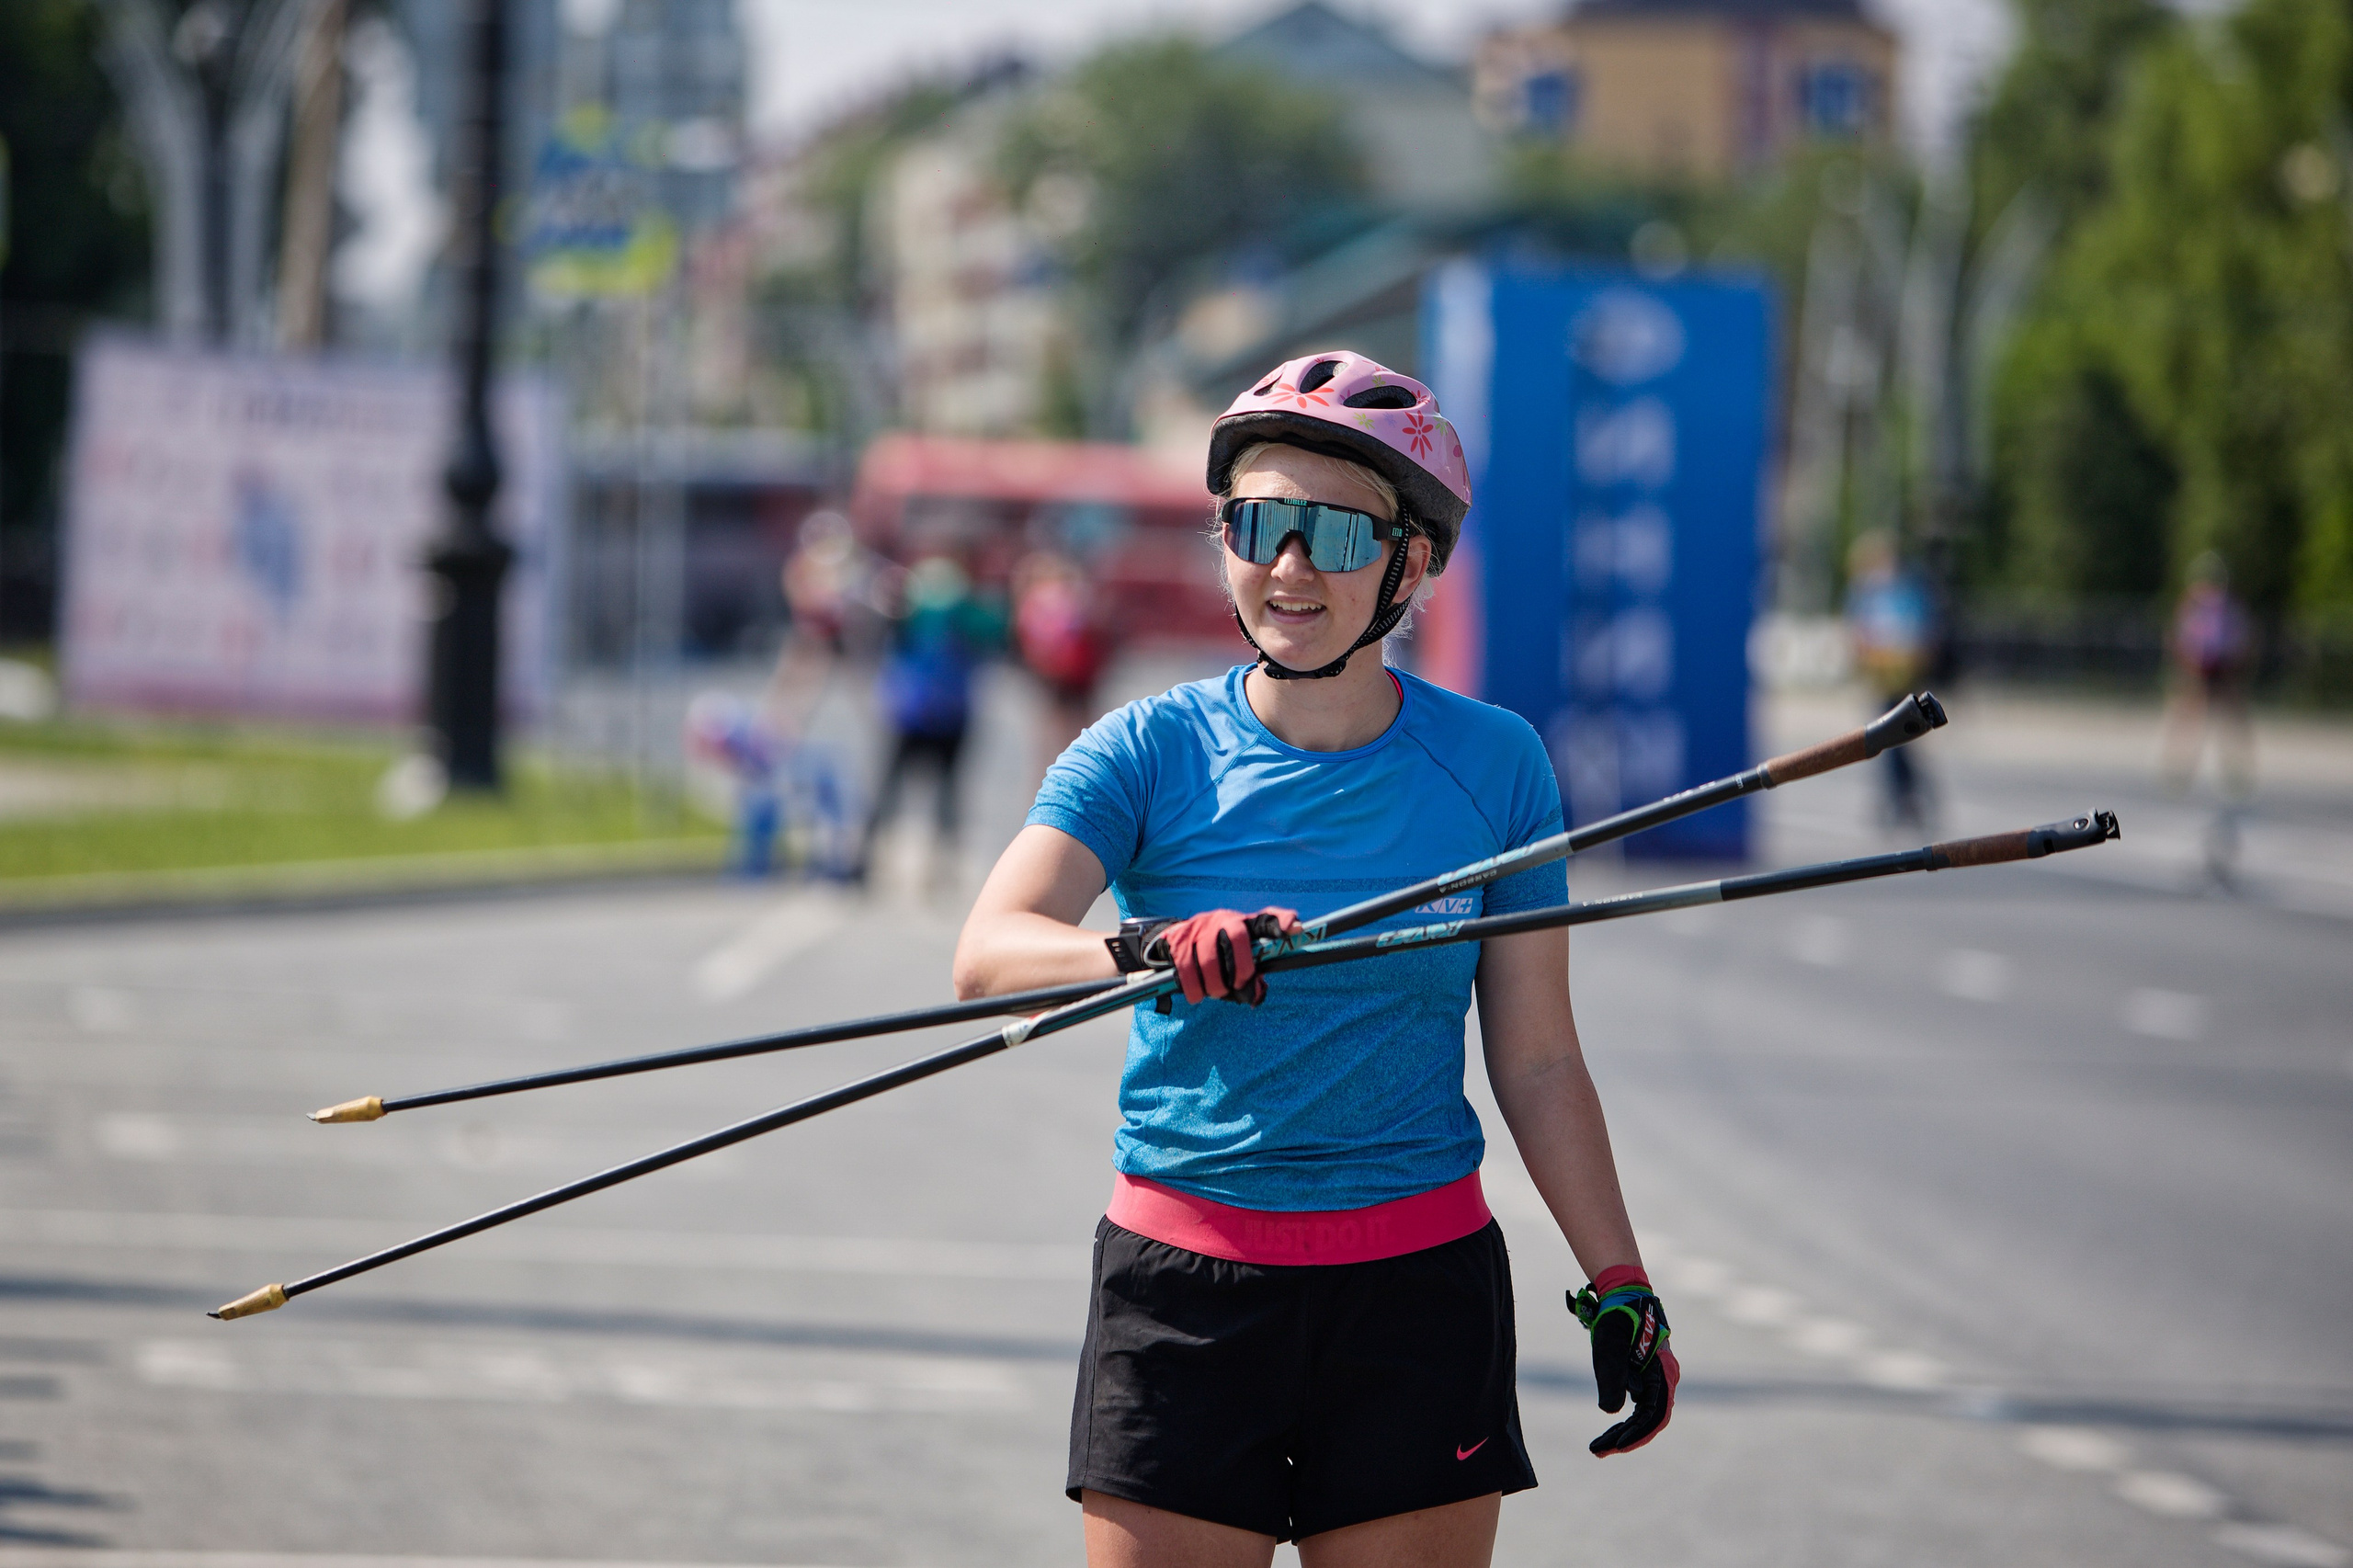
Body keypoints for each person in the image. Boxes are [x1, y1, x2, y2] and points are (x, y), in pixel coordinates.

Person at [953, 351, 1675, 1568]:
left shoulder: (1498, 766)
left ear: (1414, 562)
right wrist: (1146, 945)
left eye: (1336, 533)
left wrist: (1619, 1277)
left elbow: (1541, 1057)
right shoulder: (1143, 751)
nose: (1289, 567)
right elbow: (987, 951)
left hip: (1417, 1295)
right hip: (1182, 1290)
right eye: (1260, 523)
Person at [858, 553, 1002, 890]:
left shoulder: (958, 617)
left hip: (933, 713)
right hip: (921, 713)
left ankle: (932, 864)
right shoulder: (911, 614)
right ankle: (884, 859)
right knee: (901, 791)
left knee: (934, 793)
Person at [1845, 529, 1936, 829]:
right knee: (1892, 740)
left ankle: (1906, 797)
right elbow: (1857, 633)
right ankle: (1902, 798)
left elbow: (1921, 631)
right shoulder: (1867, 593)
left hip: (1903, 675)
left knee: (1899, 740)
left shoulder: (1905, 590)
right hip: (1883, 676)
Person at [1012, 547, 1114, 777]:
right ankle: (1075, 776)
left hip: (1058, 671)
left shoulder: (1037, 597)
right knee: (1078, 731)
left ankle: (1053, 778)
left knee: (1054, 732)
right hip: (1076, 670)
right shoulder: (1065, 595)